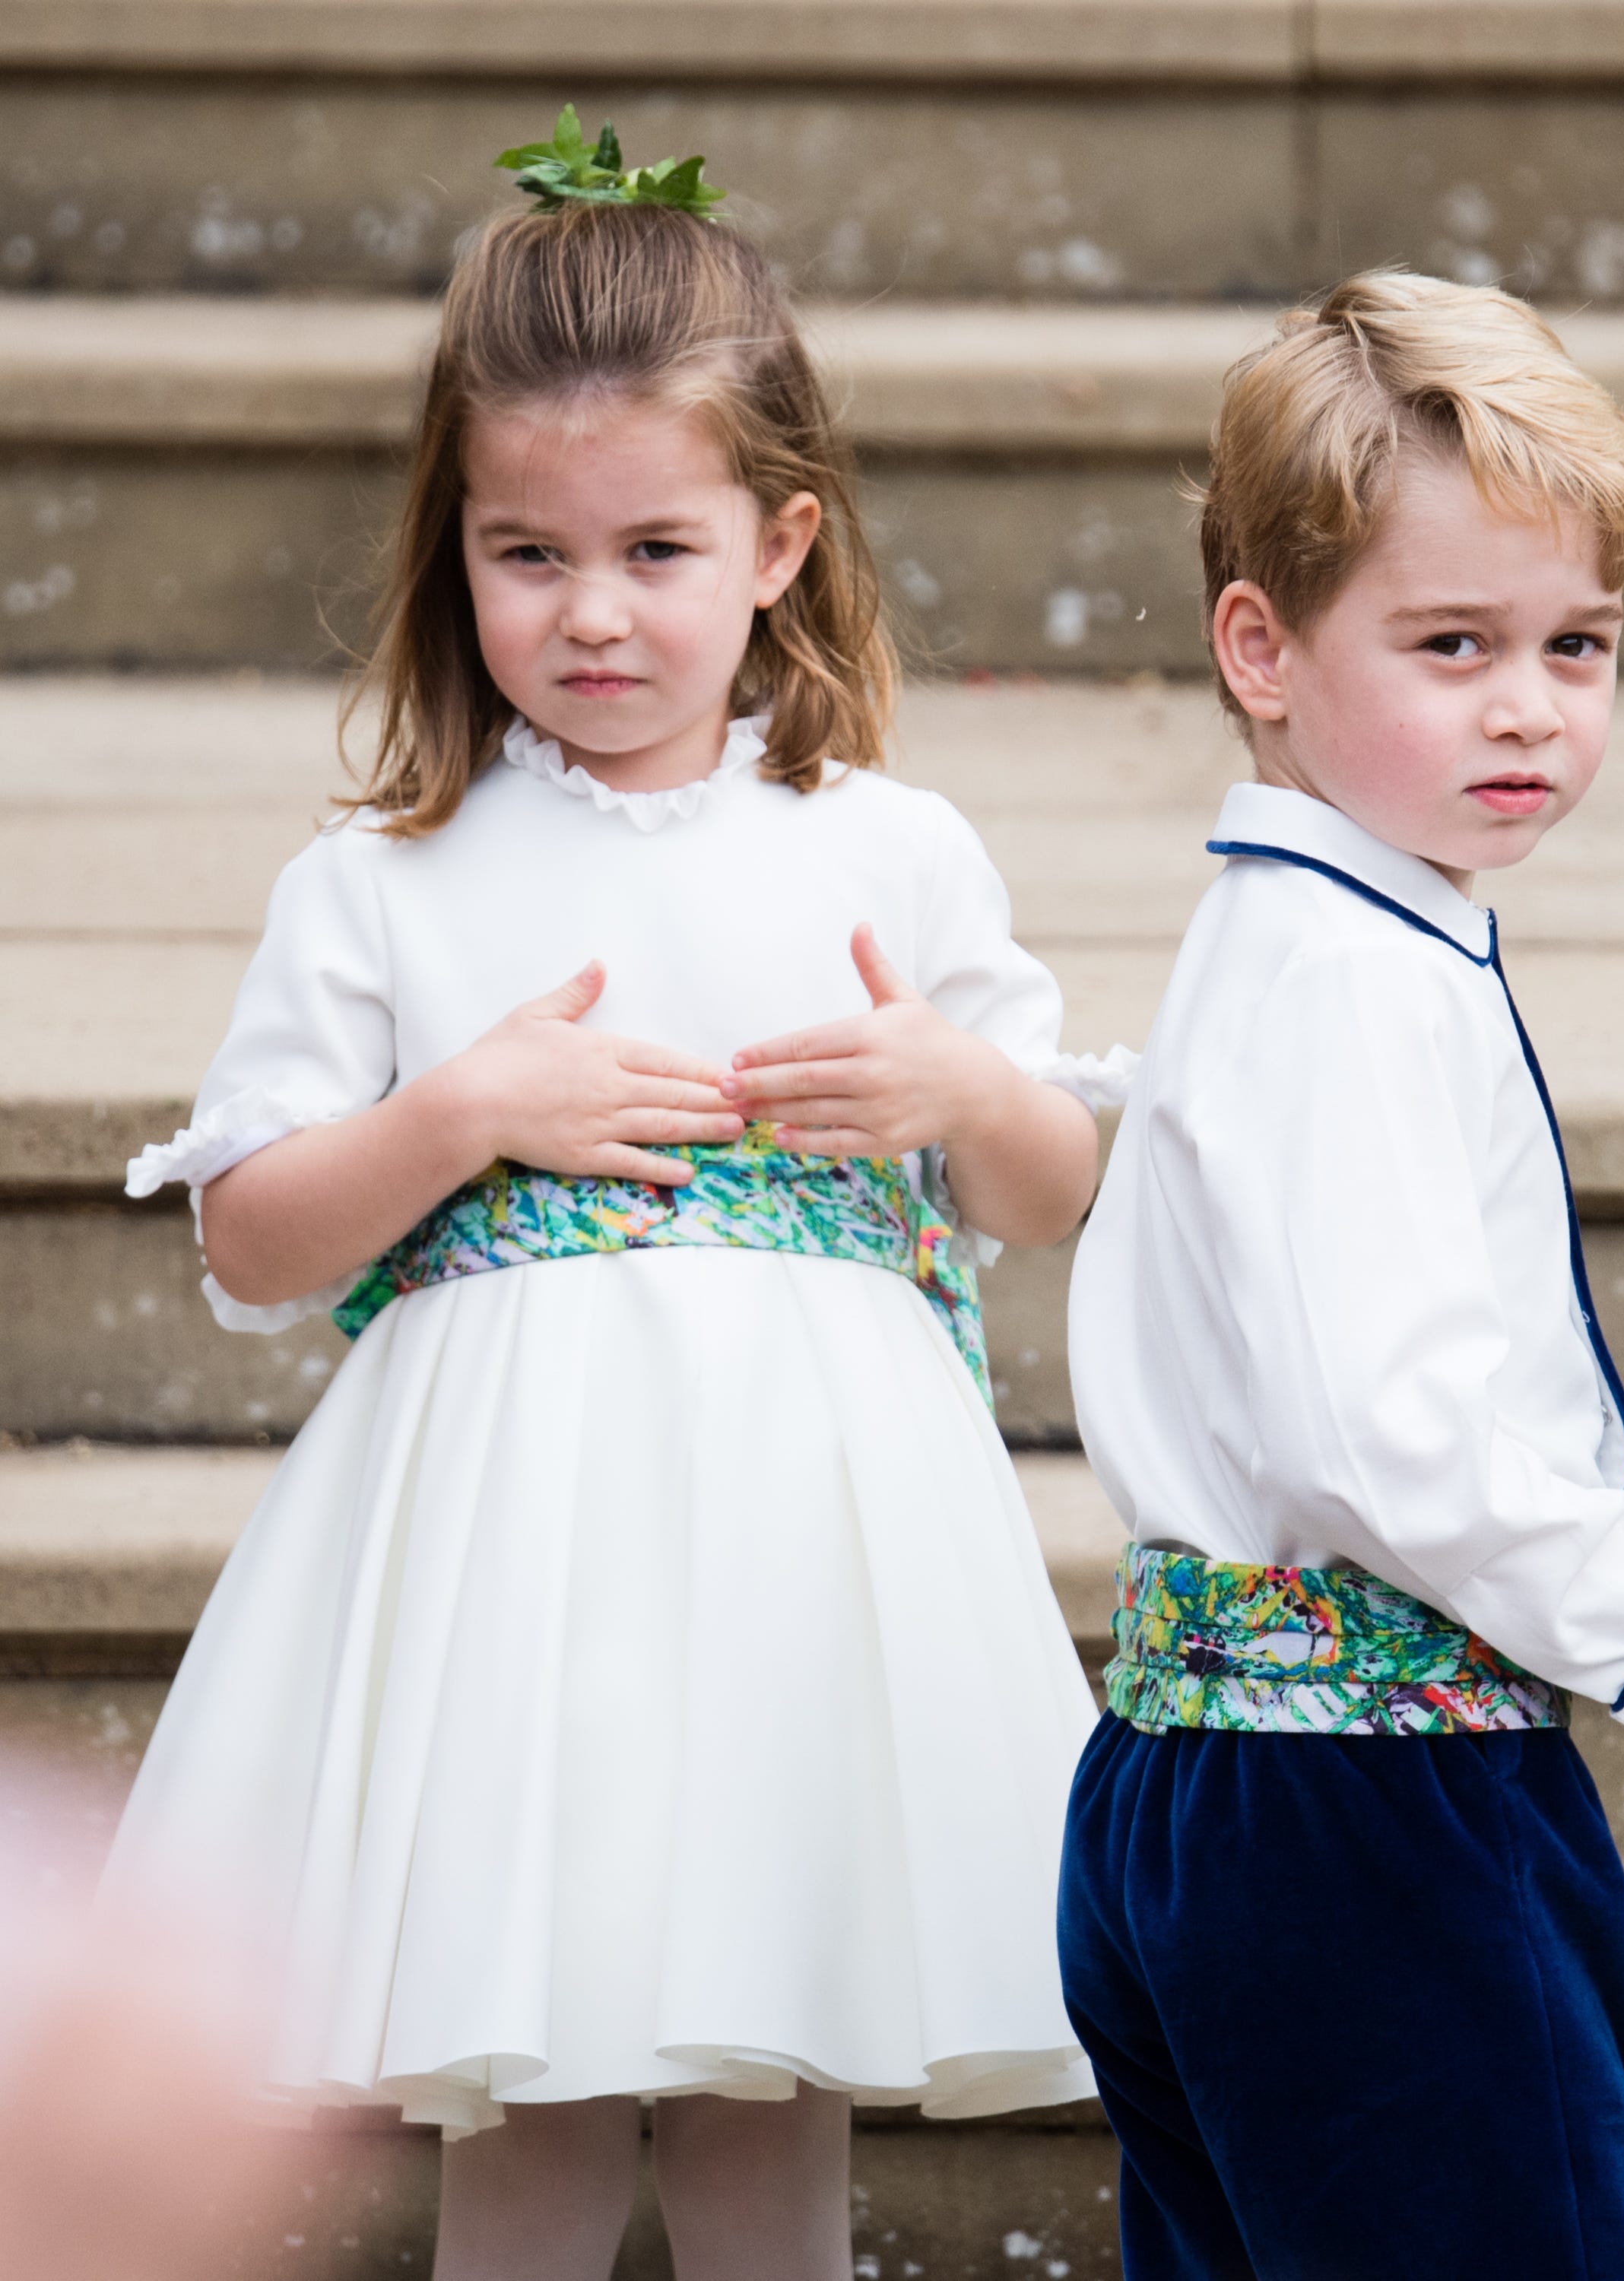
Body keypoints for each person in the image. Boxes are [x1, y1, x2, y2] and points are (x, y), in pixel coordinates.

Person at [106, 112, 1110, 2281]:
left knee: (773, 2099)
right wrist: (455, 1113)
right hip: (515, 1572)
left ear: (777, 543)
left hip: (801, 1547)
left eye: (656, 552)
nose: (588, 613)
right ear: (449, 549)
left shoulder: (887, 848)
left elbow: (1047, 1187)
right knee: (536, 2094)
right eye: (525, 555)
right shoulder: (383, 880)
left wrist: (953, 1081)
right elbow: (255, 1242)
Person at [1058, 270, 1624, 2279]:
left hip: (1197, 1789)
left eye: (1576, 645)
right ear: (1258, 648)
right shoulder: (1354, 981)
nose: (1528, 704)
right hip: (1377, 1821)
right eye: (1453, 646)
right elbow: (1391, 1418)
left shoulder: (1295, 938)